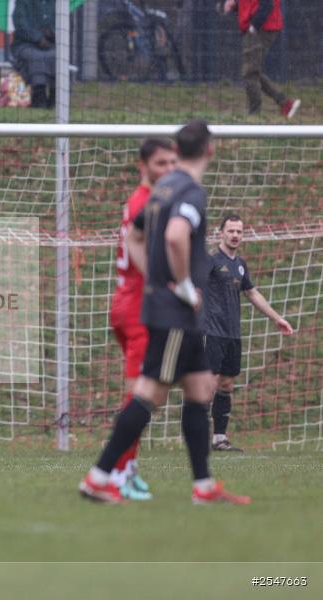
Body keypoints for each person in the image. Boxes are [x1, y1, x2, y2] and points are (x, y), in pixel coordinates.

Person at [79, 120, 250, 504]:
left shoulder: (163, 187)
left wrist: (155, 280)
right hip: (174, 314)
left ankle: (203, 487)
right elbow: (174, 235)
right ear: (210, 150)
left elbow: (134, 237)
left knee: (200, 388)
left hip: (172, 310)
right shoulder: (188, 190)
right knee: (149, 393)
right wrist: (184, 287)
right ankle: (98, 476)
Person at [108, 138, 177, 500]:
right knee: (141, 396)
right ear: (143, 166)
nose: (168, 170)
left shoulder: (141, 200)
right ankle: (117, 472)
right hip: (138, 309)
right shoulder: (149, 203)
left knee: (147, 394)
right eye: (160, 163)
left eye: (172, 163)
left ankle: (127, 469)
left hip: (125, 303)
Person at [203, 213, 294, 452]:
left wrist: (277, 319)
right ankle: (197, 437)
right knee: (207, 384)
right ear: (220, 232)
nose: (235, 235)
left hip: (233, 334)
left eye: (239, 231)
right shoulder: (210, 260)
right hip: (211, 332)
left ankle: (219, 438)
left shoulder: (240, 264)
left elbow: (252, 293)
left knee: (226, 384)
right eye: (231, 231)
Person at [220, 0, 300, 118]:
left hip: (261, 27)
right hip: (257, 26)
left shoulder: (257, 26)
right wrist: (236, 5)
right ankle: (285, 104)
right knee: (252, 71)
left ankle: (254, 114)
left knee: (250, 72)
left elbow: (267, 4)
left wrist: (254, 26)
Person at [10, 0, 55, 109]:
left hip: (51, 44)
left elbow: (64, 23)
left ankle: (56, 97)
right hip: (25, 44)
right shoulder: (22, 2)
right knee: (36, 57)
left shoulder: (57, 3)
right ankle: (39, 96)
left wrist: (52, 32)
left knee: (58, 56)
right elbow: (20, 25)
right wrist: (38, 38)